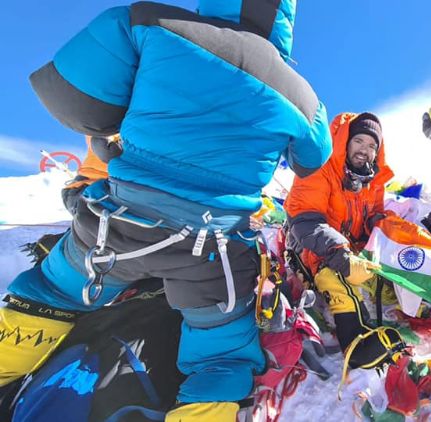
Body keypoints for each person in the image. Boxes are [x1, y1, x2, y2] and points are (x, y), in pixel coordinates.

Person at [1, 0, 332, 420]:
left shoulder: (150, 22)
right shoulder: (304, 98)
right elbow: (312, 160)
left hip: (119, 224)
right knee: (221, 355)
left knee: (51, 295)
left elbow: (73, 99)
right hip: (214, 251)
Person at [285, 112, 406, 370]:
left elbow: (373, 215)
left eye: (372, 146)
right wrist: (340, 254)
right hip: (314, 246)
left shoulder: (371, 180)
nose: (365, 150)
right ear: (345, 142)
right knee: (340, 282)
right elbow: (306, 222)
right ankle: (356, 346)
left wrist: (386, 229)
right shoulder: (320, 169)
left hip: (352, 247)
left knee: (389, 282)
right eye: (359, 141)